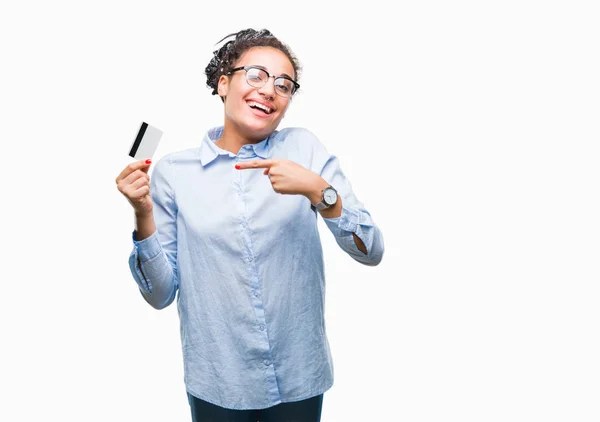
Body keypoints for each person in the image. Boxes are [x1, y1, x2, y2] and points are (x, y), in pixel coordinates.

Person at [115, 28, 384, 422]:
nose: (269, 89)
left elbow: (371, 250)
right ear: (224, 84)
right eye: (256, 75)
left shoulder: (304, 149)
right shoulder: (174, 172)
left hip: (299, 375)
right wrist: (142, 214)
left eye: (284, 84)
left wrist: (319, 190)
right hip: (219, 380)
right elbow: (160, 295)